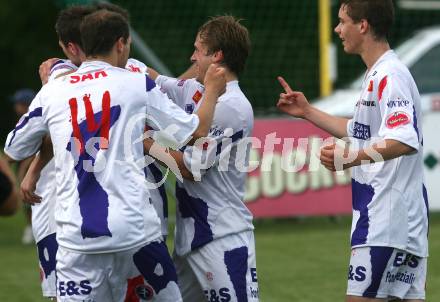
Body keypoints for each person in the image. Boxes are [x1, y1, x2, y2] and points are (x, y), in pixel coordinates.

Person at [4, 9, 225, 302]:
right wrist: (211, 90)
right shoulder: (135, 81)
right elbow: (193, 132)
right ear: (121, 43)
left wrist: (35, 164)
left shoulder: (53, 90)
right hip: (135, 234)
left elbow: (14, 147)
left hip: (76, 239)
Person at [277, 1, 428, 301]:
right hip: (400, 221)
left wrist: (352, 158)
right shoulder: (378, 74)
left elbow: (403, 139)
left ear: (363, 26)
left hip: (385, 221)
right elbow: (361, 130)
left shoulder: (390, 75)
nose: (337, 29)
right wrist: (308, 112)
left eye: (343, 21)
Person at [21, 4, 169, 300]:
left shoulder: (62, 79)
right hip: (114, 215)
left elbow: (178, 91)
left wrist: (33, 170)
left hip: (97, 215)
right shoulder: (64, 78)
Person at [146, 15, 259, 302]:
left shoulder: (231, 106)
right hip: (190, 239)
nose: (192, 56)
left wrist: (144, 142)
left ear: (217, 56)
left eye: (198, 50)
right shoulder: (197, 91)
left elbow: (188, 169)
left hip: (221, 237)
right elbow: (151, 79)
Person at [10, 88, 36, 244]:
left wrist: (25, 168)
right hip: (22, 163)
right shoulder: (21, 120)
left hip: (31, 166)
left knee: (33, 196)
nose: (15, 107)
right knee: (26, 199)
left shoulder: (33, 119)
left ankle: (35, 228)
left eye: (18, 103)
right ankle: (30, 227)